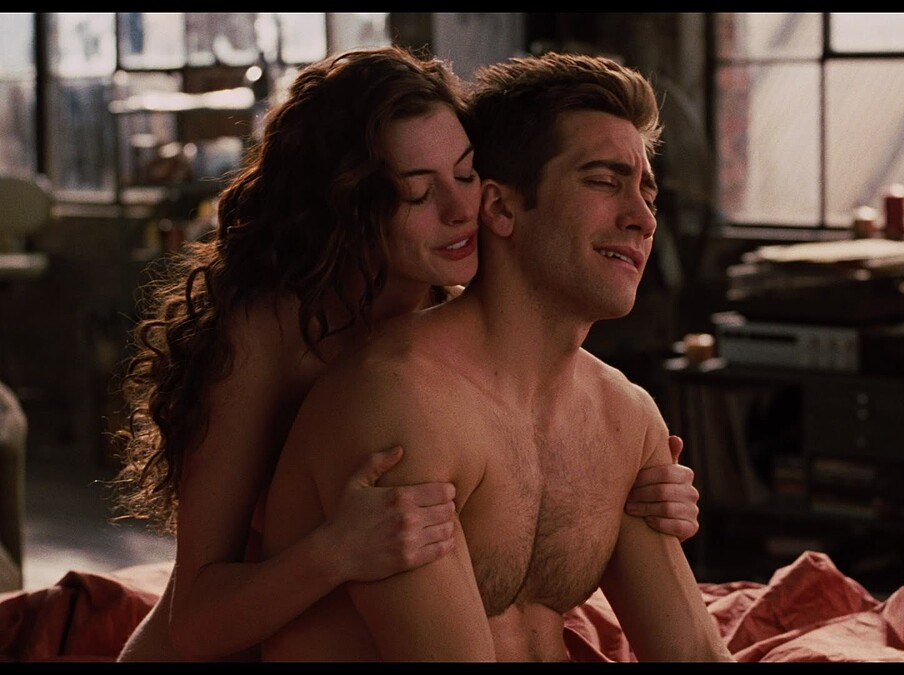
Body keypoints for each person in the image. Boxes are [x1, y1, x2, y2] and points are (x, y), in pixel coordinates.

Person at [111, 45, 700, 662]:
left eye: (466, 175)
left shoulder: (449, 312)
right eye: (418, 194)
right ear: (348, 205)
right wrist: (335, 551)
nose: (461, 211)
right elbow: (196, 619)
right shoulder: (267, 337)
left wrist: (621, 487)